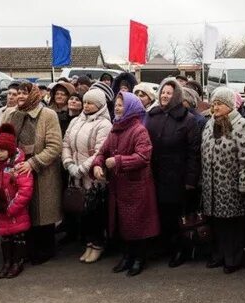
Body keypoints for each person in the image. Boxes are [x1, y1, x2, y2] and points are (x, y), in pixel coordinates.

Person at [93, 92, 160, 277]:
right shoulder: (116, 128)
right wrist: (98, 164)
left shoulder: (139, 130)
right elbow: (102, 152)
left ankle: (139, 258)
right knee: (123, 224)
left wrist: (118, 161)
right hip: (119, 187)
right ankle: (127, 256)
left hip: (136, 186)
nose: (117, 107)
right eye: (116, 104)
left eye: (121, 105)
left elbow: (143, 157)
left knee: (137, 225)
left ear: (131, 107)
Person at [3, 82, 63, 265]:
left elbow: (55, 146)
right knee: (23, 212)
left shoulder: (48, 115)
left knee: (42, 214)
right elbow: (6, 142)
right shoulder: (13, 115)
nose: (20, 96)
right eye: (18, 93)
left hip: (42, 172)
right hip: (18, 171)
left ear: (33, 95)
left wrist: (32, 162)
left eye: (24, 93)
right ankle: (28, 250)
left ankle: (45, 251)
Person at [145, 77, 200, 267]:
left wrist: (190, 180)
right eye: (163, 92)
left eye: (169, 93)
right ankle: (163, 246)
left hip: (177, 175)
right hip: (155, 173)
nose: (165, 96)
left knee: (176, 215)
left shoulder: (188, 119)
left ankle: (180, 249)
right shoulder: (152, 115)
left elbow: (194, 152)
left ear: (176, 95)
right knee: (159, 213)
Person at [202, 87, 245, 273]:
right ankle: (218, 255)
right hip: (212, 184)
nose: (215, 107)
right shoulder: (210, 123)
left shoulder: (242, 125)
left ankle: (233, 259)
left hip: (231, 185)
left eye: (219, 104)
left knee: (232, 225)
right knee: (216, 223)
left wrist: (244, 184)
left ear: (229, 106)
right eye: (214, 104)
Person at [62, 89, 112, 263]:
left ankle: (97, 244)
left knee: (95, 211)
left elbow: (100, 151)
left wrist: (82, 168)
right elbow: (66, 143)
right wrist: (68, 163)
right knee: (82, 212)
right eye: (85, 102)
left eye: (91, 103)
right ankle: (88, 243)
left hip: (93, 175)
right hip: (75, 173)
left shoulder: (104, 124)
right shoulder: (76, 121)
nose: (86, 106)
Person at [0, 123, 33, 279]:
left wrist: (11, 207)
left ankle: (17, 262)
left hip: (14, 211)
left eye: (2, 150)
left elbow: (25, 191)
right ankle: (7, 262)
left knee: (17, 236)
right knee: (5, 237)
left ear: (10, 150)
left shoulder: (19, 168)